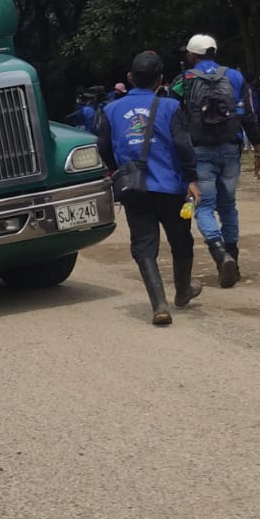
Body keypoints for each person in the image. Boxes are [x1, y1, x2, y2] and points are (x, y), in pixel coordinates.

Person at [96, 51, 202, 325]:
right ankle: (183, 290)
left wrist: (117, 170)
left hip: (134, 189)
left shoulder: (110, 110)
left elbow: (104, 148)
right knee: (181, 240)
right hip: (170, 188)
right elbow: (182, 145)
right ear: (161, 80)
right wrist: (191, 178)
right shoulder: (169, 107)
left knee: (144, 246)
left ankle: (159, 305)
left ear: (130, 78)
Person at [170, 34, 260, 287]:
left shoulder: (184, 80)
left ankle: (219, 253)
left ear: (192, 55)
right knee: (228, 206)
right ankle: (233, 260)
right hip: (230, 148)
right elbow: (248, 116)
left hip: (199, 151)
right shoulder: (234, 77)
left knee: (203, 206)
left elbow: (173, 118)